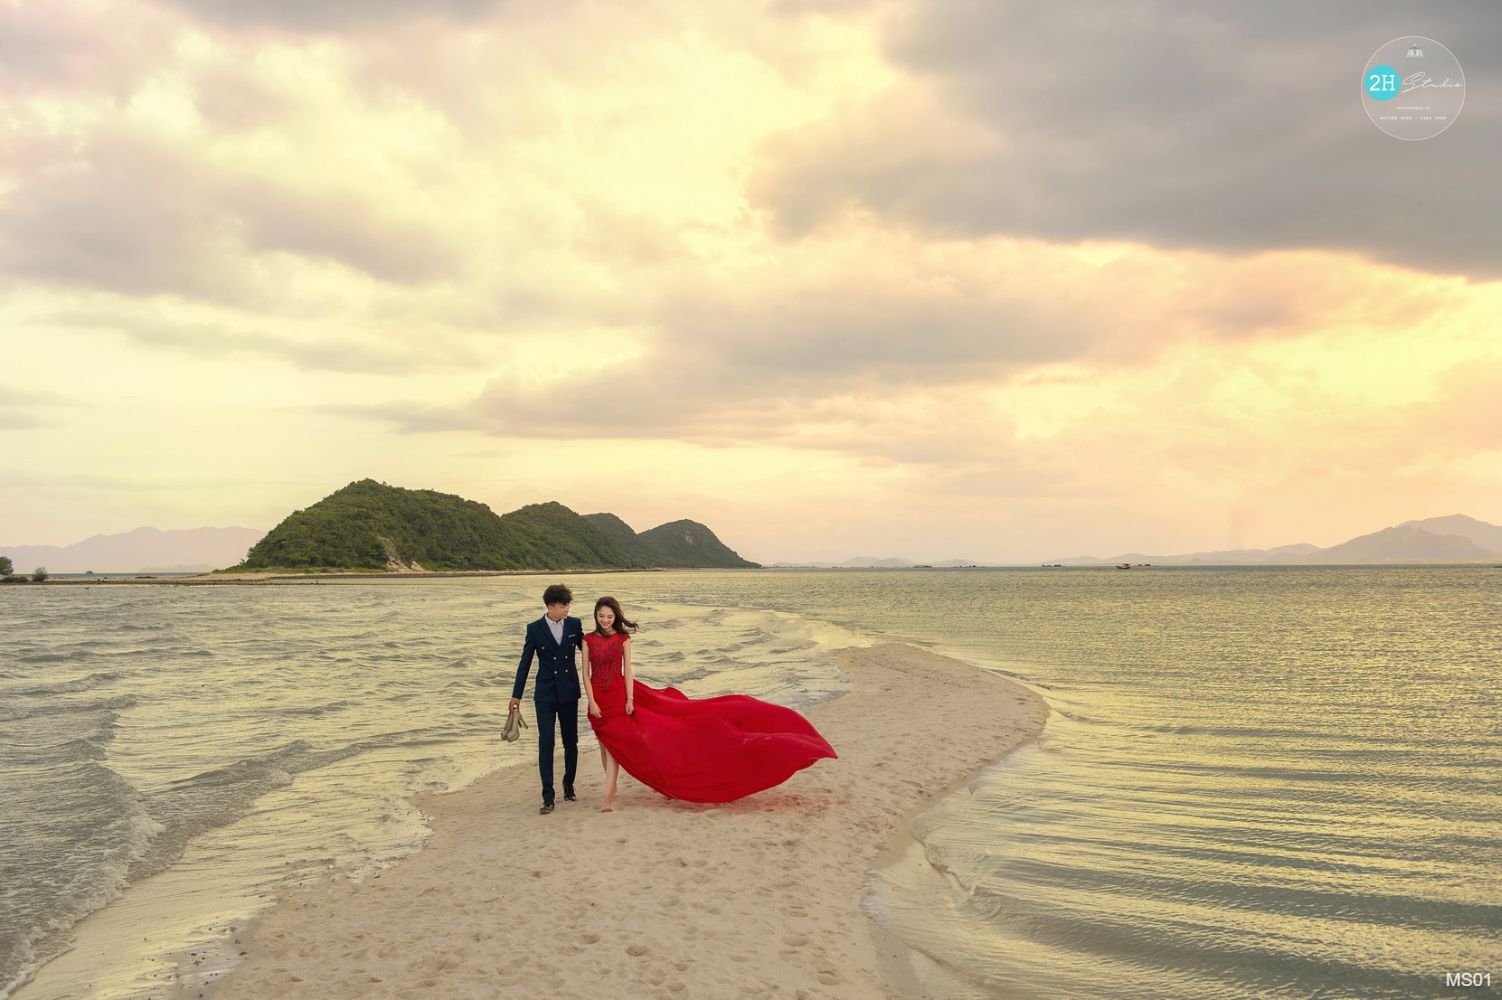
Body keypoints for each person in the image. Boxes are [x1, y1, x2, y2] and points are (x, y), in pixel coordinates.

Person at [580, 596, 836, 809]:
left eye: (609, 616)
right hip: (598, 699)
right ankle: (612, 788)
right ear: (596, 615)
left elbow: (628, 671)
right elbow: (586, 674)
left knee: (617, 745)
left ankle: (609, 794)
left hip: (619, 697)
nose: (605, 620)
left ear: (615, 617)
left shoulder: (623, 640)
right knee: (606, 744)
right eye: (601, 616)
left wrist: (630, 699)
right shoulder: (588, 640)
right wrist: (591, 701)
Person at [510, 584, 584, 815]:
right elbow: (525, 664)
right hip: (545, 694)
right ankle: (548, 797)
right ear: (551, 606)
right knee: (546, 742)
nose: (567, 609)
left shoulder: (574, 625)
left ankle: (568, 786)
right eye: (564, 605)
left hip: (569, 692)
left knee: (571, 741)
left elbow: (590, 651)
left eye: (568, 604)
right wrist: (516, 695)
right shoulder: (534, 629)